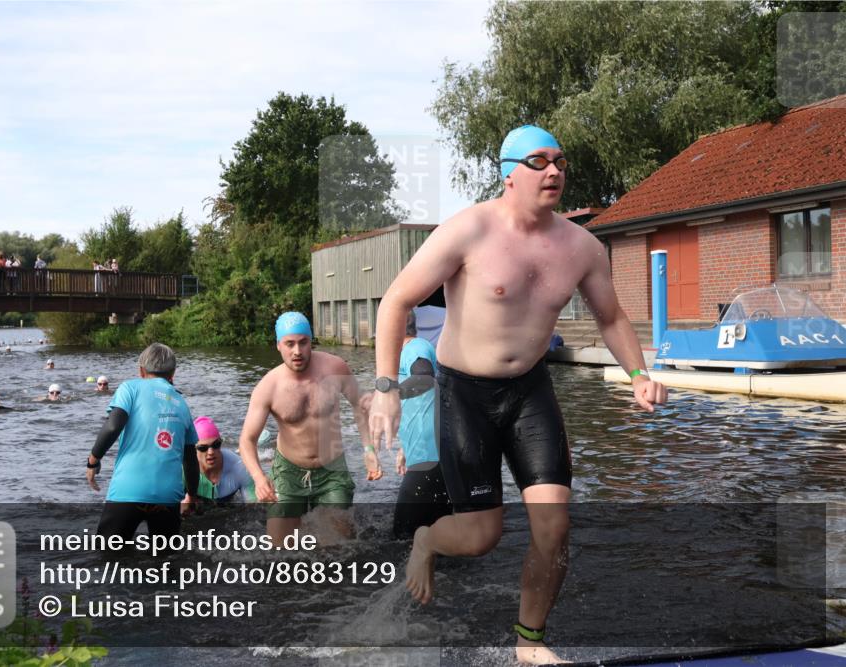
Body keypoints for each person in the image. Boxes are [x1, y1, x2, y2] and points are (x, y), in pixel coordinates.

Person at [367, 125, 668, 665]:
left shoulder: (582, 247)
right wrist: (387, 389)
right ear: (508, 174)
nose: (553, 171)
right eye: (538, 161)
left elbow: (612, 317)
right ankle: (427, 543)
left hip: (530, 391)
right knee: (482, 536)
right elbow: (394, 302)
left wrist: (638, 373)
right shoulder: (468, 231)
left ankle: (528, 642)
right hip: (464, 394)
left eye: (559, 161)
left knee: (554, 526)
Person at [238, 312, 380, 544]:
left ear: (310, 340)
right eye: (290, 344)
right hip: (288, 472)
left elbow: (360, 406)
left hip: (331, 470)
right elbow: (247, 440)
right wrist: (259, 477)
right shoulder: (268, 387)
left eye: (303, 342)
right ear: (278, 345)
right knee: (279, 549)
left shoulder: (335, 367)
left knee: (339, 547)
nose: (297, 351)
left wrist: (369, 450)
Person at [86, 343, 200, 539]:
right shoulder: (182, 403)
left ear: (141, 370)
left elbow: (113, 426)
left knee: (108, 558)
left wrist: (93, 460)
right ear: (173, 373)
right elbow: (190, 459)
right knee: (166, 562)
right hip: (168, 496)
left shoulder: (130, 388)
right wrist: (191, 495)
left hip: (128, 490)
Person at [362, 311, 451, 539]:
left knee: (401, 537)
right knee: (432, 533)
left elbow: (424, 374)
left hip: (432, 458)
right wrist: (404, 448)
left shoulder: (416, 347)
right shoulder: (405, 354)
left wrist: (389, 393)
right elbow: (423, 406)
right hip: (426, 455)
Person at [190, 416, 257, 507]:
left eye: (216, 445)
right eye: (203, 448)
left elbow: (254, 507)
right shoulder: (183, 470)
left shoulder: (239, 467)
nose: (210, 452)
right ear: (193, 449)